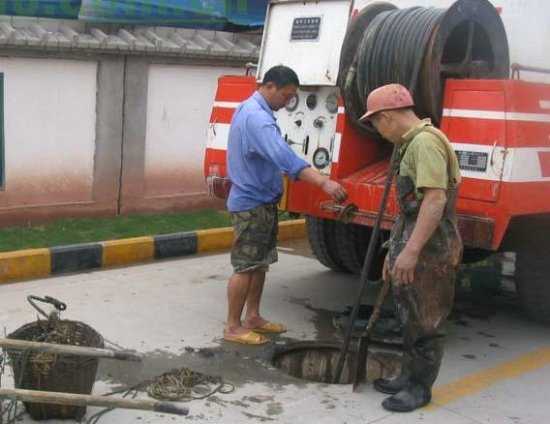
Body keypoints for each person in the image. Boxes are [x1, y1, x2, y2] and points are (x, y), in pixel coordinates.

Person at [224, 65, 347, 345]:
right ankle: (233, 326)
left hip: (262, 202)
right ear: (269, 87)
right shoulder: (258, 119)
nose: (288, 102)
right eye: (286, 96)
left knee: (260, 263)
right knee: (245, 266)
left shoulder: (251, 110)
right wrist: (324, 183)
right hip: (251, 204)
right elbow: (285, 159)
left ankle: (252, 316)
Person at [359, 84, 463, 412]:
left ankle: (420, 388)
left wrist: (413, 251)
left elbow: (434, 200)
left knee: (426, 322)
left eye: (376, 124)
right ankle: (408, 376)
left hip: (432, 251)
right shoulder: (411, 144)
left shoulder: (426, 144)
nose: (378, 131)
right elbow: (409, 209)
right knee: (409, 316)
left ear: (386, 117)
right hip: (415, 243)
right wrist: (395, 250)